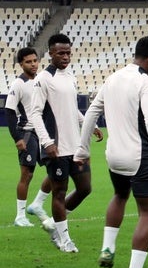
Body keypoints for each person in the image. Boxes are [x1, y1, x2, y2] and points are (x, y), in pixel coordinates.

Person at [75, 35, 148, 268]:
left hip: (114, 155)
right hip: (140, 155)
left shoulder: (113, 78)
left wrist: (82, 149)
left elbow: (91, 113)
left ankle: (108, 248)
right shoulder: (147, 83)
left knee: (120, 196)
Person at [29, 34, 103, 253]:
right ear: (50, 53)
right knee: (59, 192)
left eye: (68, 52)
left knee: (85, 188)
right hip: (57, 146)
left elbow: (71, 108)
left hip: (76, 145)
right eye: (61, 53)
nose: (65, 57)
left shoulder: (69, 75)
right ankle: (64, 240)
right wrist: (47, 142)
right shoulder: (43, 78)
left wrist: (88, 124)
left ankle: (53, 223)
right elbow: (34, 114)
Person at [5, 47, 53, 229]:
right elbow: (9, 111)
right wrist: (17, 138)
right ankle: (20, 216)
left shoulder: (42, 80)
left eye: (35, 60)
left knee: (54, 170)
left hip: (43, 133)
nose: (33, 64)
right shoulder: (19, 84)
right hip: (27, 132)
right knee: (27, 174)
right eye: (28, 62)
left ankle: (37, 204)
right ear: (21, 64)